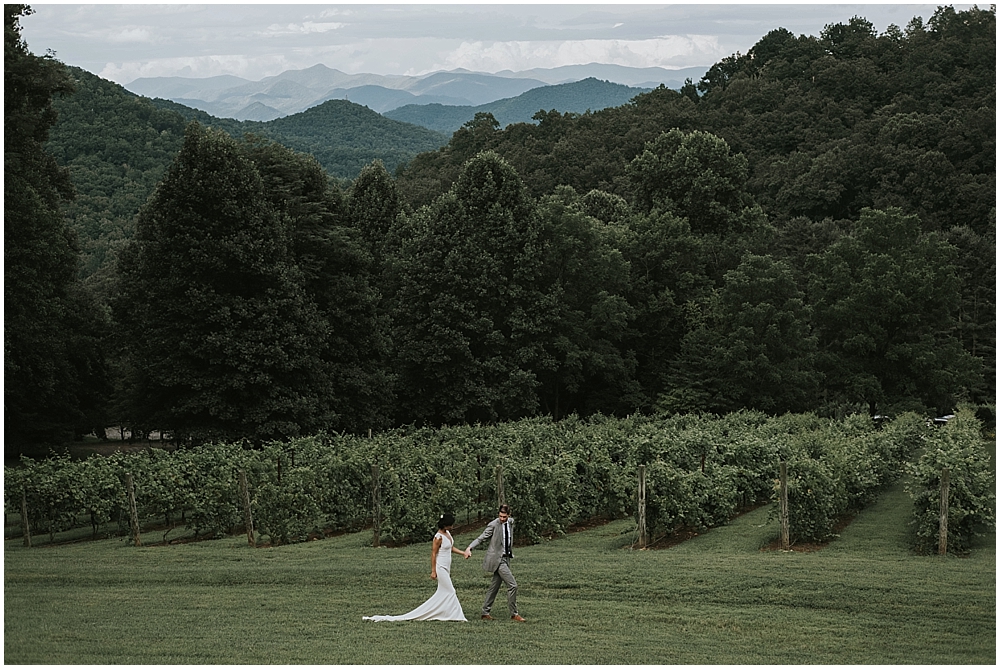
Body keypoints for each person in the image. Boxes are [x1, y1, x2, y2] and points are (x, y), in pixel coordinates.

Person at [363, 513, 467, 622]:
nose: (452, 527)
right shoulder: (438, 537)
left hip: (447, 566)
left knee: (444, 591)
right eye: (450, 525)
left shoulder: (448, 534)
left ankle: (445, 612)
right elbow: (433, 553)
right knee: (451, 591)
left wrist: (463, 553)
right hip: (440, 567)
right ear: (445, 525)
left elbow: (450, 547)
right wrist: (433, 571)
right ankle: (457, 616)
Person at [463, 503, 525, 622]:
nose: (502, 519)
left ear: (509, 515)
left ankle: (485, 612)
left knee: (494, 586)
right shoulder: (493, 525)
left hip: (506, 558)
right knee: (513, 585)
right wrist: (469, 548)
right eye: (500, 516)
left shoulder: (511, 522)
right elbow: (482, 537)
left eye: (504, 517)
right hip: (497, 559)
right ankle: (514, 614)